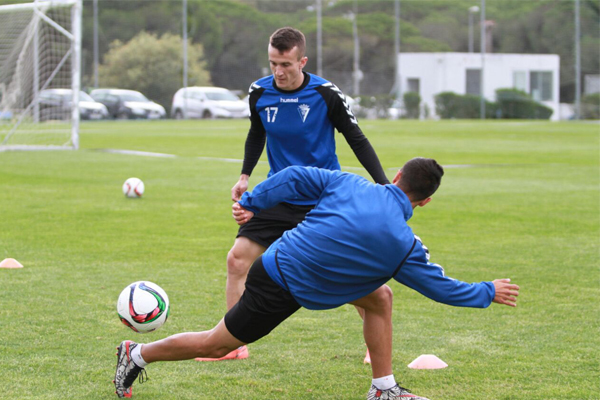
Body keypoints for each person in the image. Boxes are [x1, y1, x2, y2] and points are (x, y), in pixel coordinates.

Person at [113, 158, 520, 400]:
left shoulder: (348, 182)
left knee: (379, 298)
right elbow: (439, 287)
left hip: (281, 264)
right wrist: (488, 291)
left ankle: (383, 388)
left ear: (395, 176)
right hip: (280, 285)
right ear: (425, 201)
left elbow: (291, 177)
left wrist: (252, 203)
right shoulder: (404, 245)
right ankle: (136, 354)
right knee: (216, 344)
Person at [215, 26, 390, 362]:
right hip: (278, 195)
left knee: (350, 274)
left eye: (286, 65)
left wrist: (383, 184)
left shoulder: (326, 94)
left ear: (302, 61)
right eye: (273, 64)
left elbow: (357, 139)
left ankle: (375, 348)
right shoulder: (259, 93)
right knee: (237, 260)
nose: (279, 72)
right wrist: (245, 175)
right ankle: (233, 344)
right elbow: (257, 133)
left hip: (324, 200)